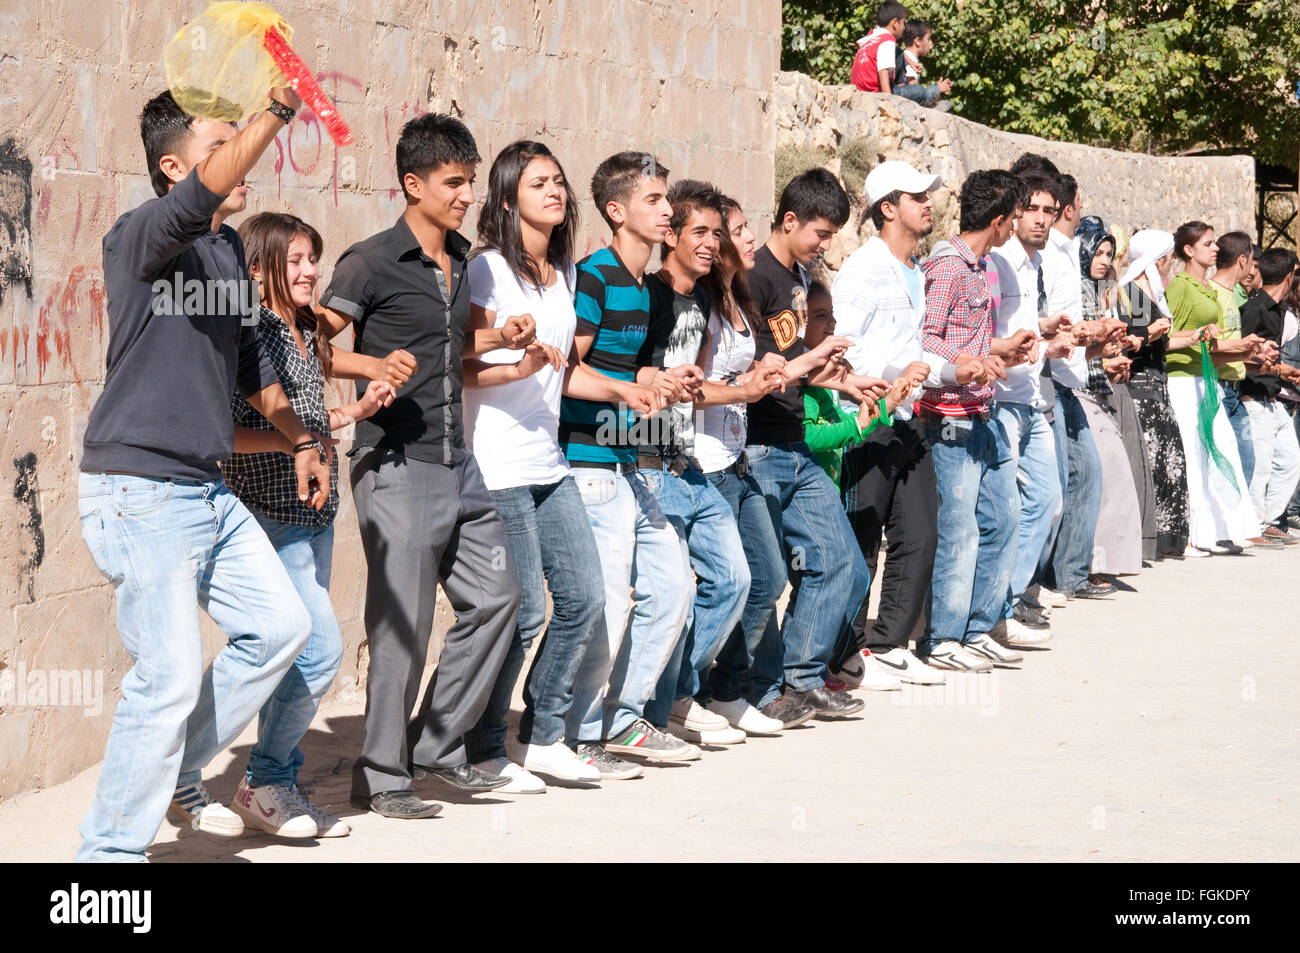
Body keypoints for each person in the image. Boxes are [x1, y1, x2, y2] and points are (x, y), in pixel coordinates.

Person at [76, 86, 331, 862]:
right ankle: (106, 861)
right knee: (166, 678)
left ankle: (178, 768)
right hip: (139, 489)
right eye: (223, 142)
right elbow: (202, 199)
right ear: (174, 166)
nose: (244, 153)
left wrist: (301, 439)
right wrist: (278, 110)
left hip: (207, 489)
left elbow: (253, 368)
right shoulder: (143, 235)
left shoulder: (225, 255)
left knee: (283, 627)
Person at [318, 114, 523, 819]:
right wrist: (372, 364)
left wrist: (502, 337)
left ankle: (433, 747)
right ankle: (382, 774)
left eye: (470, 180)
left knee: (499, 600)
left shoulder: (465, 261)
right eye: (454, 182)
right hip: (394, 461)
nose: (467, 194)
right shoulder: (368, 260)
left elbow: (451, 346)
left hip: (458, 460)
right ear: (414, 184)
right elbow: (311, 348)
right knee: (401, 622)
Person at [223, 212, 398, 838]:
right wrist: (289, 445)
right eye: (294, 260)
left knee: (299, 656)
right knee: (320, 650)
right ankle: (264, 777)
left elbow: (307, 415)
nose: (309, 271)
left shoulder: (300, 329)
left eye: (311, 259)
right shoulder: (252, 336)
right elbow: (226, 435)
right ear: (258, 267)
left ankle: (276, 782)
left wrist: (357, 404)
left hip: (315, 517)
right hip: (272, 521)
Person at [459, 140, 620, 791]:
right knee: (523, 611)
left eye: (558, 180)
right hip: (495, 463)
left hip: (549, 462)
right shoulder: (486, 270)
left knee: (584, 597)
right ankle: (482, 746)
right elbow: (460, 358)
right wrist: (516, 359)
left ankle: (544, 734)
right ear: (506, 199)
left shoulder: (565, 274)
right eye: (537, 184)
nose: (554, 191)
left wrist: (630, 390)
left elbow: (566, 367)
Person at [558, 151, 699, 771]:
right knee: (609, 601)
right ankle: (575, 733)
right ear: (616, 212)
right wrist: (627, 389)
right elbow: (565, 371)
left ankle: (623, 718)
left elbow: (619, 369)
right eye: (653, 200)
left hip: (629, 464)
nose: (668, 210)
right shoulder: (594, 277)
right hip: (588, 464)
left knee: (674, 586)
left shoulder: (641, 284)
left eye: (667, 199)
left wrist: (661, 379)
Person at [745, 168, 887, 720]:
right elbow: (760, 370)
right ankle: (749, 686)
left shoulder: (801, 279)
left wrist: (843, 381)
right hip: (758, 446)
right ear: (789, 220)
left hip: (796, 445)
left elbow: (801, 369)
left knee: (846, 567)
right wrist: (812, 368)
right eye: (821, 234)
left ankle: (801, 680)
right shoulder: (754, 278)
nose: (826, 245)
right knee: (764, 578)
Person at [639, 180, 754, 748]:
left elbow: (696, 387)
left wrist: (741, 391)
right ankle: (653, 711)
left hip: (688, 462)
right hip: (645, 462)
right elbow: (635, 382)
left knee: (735, 578)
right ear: (672, 235)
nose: (712, 244)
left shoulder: (704, 298)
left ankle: (680, 693)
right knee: (670, 594)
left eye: (718, 233)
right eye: (701, 232)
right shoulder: (650, 296)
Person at [692, 198, 814, 734]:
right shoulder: (701, 306)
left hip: (736, 462)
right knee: (729, 582)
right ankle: (683, 693)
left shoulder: (741, 298)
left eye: (742, 229)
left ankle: (722, 688)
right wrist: (744, 386)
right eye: (735, 231)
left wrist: (769, 366)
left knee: (766, 576)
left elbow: (755, 369)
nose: (747, 240)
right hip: (704, 466)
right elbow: (690, 387)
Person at [830, 160, 946, 685]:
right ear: (887, 208)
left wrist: (949, 370)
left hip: (908, 419)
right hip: (868, 419)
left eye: (929, 195)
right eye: (917, 196)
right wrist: (890, 378)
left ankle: (888, 642)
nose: (929, 204)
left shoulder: (916, 270)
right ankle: (847, 653)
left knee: (919, 532)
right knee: (862, 536)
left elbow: (916, 351)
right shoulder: (863, 268)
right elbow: (842, 352)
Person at [917, 168, 1026, 671]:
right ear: (1000, 220)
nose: (1017, 227)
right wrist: (967, 359)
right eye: (1016, 217)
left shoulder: (983, 267)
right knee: (960, 530)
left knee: (1004, 518)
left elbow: (966, 340)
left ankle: (979, 627)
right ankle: (943, 637)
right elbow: (925, 338)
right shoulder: (949, 266)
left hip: (984, 411)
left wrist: (996, 354)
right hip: (948, 418)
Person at [986, 171, 1071, 639]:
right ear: (1016, 212)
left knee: (1049, 499)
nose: (1041, 219)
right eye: (1033, 209)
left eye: (1049, 212)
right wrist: (1040, 344)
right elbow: (990, 336)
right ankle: (997, 610)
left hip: (1029, 397)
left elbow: (1018, 325)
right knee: (1006, 509)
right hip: (1000, 399)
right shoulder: (999, 260)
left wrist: (1045, 331)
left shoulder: (1033, 262)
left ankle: (1010, 600)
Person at [1162, 221, 1264, 554]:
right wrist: (1199, 339)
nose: (1215, 248)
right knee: (1194, 454)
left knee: (1221, 452)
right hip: (1183, 380)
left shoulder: (1206, 287)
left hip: (1205, 379)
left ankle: (1216, 531)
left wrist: (1239, 348)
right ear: (1189, 250)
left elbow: (1212, 340)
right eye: (1208, 244)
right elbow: (1164, 339)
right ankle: (1191, 535)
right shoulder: (1180, 286)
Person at [1117, 229, 1193, 558]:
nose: (1172, 263)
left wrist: (1193, 337)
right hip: (1140, 389)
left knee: (1168, 463)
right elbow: (1125, 343)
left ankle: (1166, 540)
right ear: (1159, 259)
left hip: (1158, 387)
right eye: (1169, 257)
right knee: (1149, 462)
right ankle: (1143, 540)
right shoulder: (1128, 294)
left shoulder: (1151, 295)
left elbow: (1162, 342)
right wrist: (1150, 333)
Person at [1075, 223, 1144, 580]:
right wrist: (1105, 356)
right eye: (1098, 252)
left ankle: (1103, 563)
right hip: (1077, 392)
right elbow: (1071, 348)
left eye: (1108, 254)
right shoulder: (1075, 290)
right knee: (1107, 476)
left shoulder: (1101, 290)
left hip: (1099, 390)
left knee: (1113, 476)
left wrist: (1112, 356)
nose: (1103, 261)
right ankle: (1092, 565)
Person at [1238, 248, 1300, 541]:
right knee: (1260, 468)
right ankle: (1254, 525)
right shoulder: (1254, 309)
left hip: (1273, 399)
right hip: (1253, 398)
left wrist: (1280, 369)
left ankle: (1270, 519)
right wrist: (1275, 369)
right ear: (1289, 277)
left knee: (1291, 461)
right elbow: (1237, 354)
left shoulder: (1278, 310)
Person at [1209, 231, 1261, 485]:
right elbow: (1206, 346)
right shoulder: (1211, 293)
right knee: (1225, 470)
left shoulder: (1232, 294)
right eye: (1251, 261)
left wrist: (1249, 352)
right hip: (1218, 389)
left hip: (1234, 392)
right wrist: (1241, 346)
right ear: (1242, 260)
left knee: (1246, 463)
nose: (1252, 268)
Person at [851, 1, 908, 94]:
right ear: (895, 22)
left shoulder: (871, 37)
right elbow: (883, 70)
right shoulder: (887, 41)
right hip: (874, 93)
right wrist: (888, 100)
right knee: (918, 91)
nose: (904, 27)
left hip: (859, 91)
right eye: (903, 23)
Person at [897, 20, 952, 110]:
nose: (931, 43)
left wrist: (938, 90)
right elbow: (915, 93)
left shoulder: (910, 59)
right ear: (917, 41)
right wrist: (938, 89)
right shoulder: (909, 64)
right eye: (928, 39)